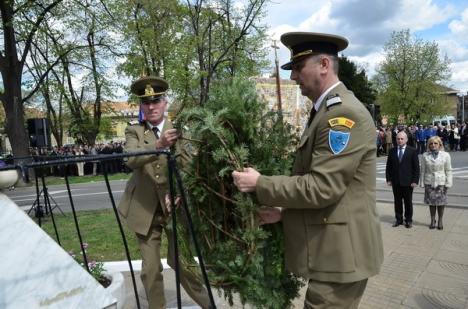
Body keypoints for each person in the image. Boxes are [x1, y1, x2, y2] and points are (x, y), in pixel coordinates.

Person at [232, 32, 383, 309]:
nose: (293, 78)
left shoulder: (341, 116)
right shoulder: (325, 111)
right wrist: (283, 214)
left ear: (324, 64)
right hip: (335, 253)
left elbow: (321, 187)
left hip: (340, 257)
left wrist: (260, 184)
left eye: (299, 68)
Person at [118, 76, 211, 309]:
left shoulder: (180, 131)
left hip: (174, 211)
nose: (151, 107)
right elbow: (130, 158)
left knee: (181, 262)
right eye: (146, 103)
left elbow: (191, 169)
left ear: (165, 103)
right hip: (145, 210)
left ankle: (209, 305)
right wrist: (158, 146)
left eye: (156, 102)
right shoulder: (134, 131)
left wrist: (181, 193)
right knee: (150, 269)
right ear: (141, 106)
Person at [385, 131, 419, 228]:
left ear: (406, 140)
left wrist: (415, 181)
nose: (399, 140)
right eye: (398, 139)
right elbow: (388, 166)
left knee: (408, 202)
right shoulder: (392, 151)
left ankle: (408, 220)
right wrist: (388, 179)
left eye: (402, 139)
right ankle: (398, 219)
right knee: (397, 201)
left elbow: (416, 168)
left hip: (408, 182)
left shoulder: (412, 151)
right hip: (396, 181)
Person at [420, 136, 453, 230]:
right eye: (431, 143)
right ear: (428, 145)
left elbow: (448, 170)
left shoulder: (446, 155)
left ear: (440, 144)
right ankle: (432, 219)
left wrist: (448, 183)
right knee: (431, 203)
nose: (433, 145)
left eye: (435, 143)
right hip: (429, 181)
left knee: (441, 202)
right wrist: (422, 182)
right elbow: (422, 170)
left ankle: (440, 220)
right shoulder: (425, 155)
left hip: (441, 182)